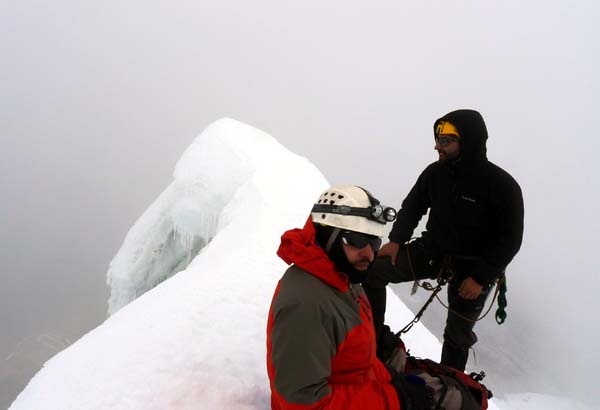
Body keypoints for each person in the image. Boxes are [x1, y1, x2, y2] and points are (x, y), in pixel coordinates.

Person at [363, 109, 524, 372]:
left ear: (468, 141)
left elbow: (510, 240)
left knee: (457, 336)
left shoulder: (501, 186)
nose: (437, 146)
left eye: (445, 141)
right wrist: (396, 241)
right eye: (437, 139)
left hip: (474, 267)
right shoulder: (435, 173)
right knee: (373, 272)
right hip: (433, 251)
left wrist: (480, 278)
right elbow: (413, 206)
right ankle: (370, 345)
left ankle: (450, 382)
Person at [266, 185, 434, 410]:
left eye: (374, 242)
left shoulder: (345, 278)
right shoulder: (305, 306)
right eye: (356, 240)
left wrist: (391, 382)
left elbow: (356, 365)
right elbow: (302, 403)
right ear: (328, 236)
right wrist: (396, 400)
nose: (369, 254)